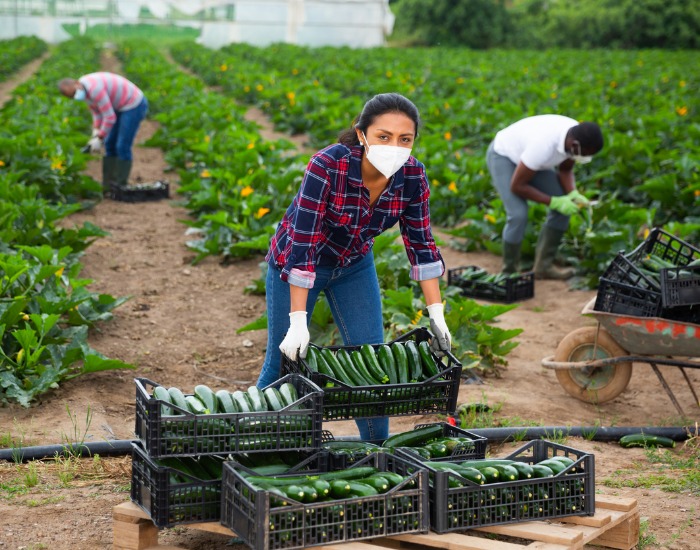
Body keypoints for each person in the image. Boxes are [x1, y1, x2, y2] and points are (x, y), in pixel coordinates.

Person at [258, 92, 452, 441]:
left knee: (372, 364)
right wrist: (299, 322)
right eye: (384, 136)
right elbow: (303, 242)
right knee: (282, 360)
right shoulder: (328, 165)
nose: (394, 146)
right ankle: (246, 437)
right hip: (300, 262)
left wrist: (437, 314)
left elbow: (422, 247)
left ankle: (378, 451)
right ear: (362, 134)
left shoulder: (412, 176)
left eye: (404, 139)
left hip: (354, 265)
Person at [486, 115, 604, 279]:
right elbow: (518, 186)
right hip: (504, 156)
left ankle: (543, 267)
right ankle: (509, 273)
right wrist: (554, 201)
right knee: (518, 215)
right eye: (584, 153)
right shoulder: (544, 145)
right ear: (575, 145)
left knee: (565, 208)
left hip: (531, 162)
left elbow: (565, 170)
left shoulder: (576, 137)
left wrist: (572, 193)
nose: (585, 157)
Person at [58, 72, 148, 194]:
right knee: (110, 144)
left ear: (76, 83)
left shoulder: (94, 89)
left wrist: (100, 137)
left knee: (122, 145)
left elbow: (110, 117)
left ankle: (121, 186)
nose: (75, 96)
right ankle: (109, 185)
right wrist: (95, 133)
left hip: (133, 104)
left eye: (74, 93)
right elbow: (97, 113)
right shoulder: (84, 91)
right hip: (118, 106)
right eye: (71, 96)